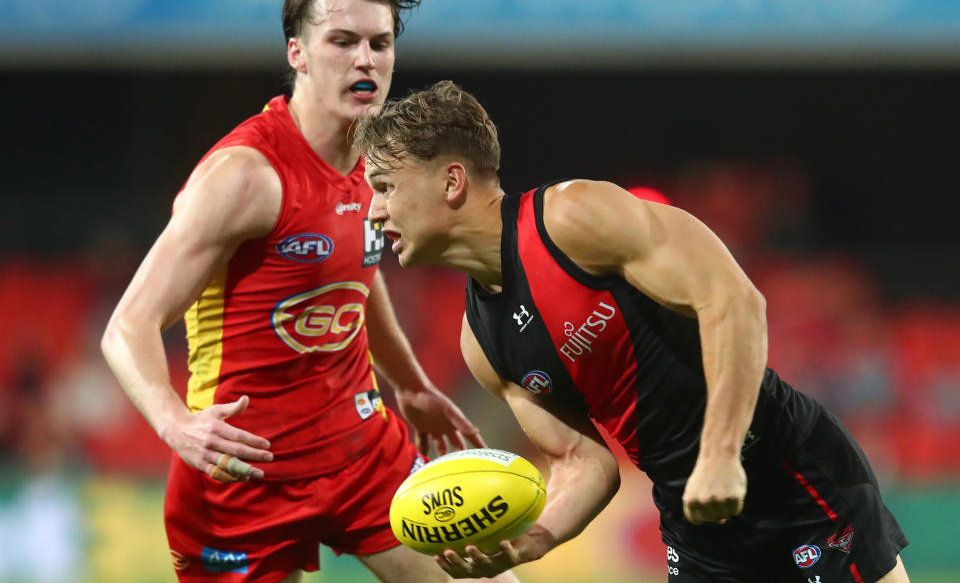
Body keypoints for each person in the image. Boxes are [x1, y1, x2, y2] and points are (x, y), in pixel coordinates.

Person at [353, 80, 912, 583]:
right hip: (694, 523)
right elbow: (582, 462)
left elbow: (733, 301)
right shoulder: (482, 343)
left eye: (384, 185)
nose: (373, 210)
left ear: (451, 181)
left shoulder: (573, 219)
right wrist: (529, 542)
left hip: (789, 475)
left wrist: (719, 455)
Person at [101, 0, 517, 583]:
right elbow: (127, 327)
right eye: (342, 41)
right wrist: (175, 424)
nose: (365, 60)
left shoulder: (379, 158)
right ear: (297, 52)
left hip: (360, 455)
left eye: (380, 43)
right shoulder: (245, 177)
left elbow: (357, 271)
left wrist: (407, 382)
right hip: (242, 481)